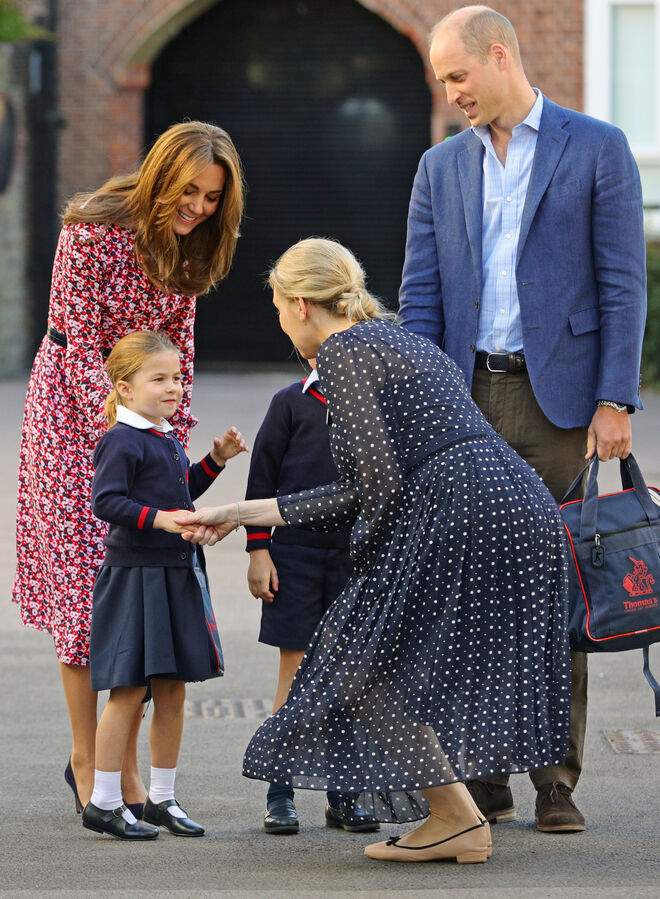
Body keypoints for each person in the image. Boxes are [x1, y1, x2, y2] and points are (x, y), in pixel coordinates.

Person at [175, 237, 571, 864]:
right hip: (516, 505)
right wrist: (240, 513)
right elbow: (372, 481)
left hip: (457, 511)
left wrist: (370, 580)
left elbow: (370, 488)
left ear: (303, 304)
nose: (280, 323)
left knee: (358, 663)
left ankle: (456, 819)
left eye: (278, 307)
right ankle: (458, 818)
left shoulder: (342, 353)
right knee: (407, 667)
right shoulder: (403, 338)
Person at [397, 5, 647, 833]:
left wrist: (615, 400)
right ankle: (484, 776)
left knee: (552, 585)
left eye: (457, 75)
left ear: (498, 56)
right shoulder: (438, 168)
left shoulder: (596, 146)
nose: (451, 93)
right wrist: (421, 406)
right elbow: (420, 295)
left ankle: (556, 780)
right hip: (466, 397)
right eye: (444, 82)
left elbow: (621, 283)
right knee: (469, 588)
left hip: (561, 406)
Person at [12, 120, 244, 816]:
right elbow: (81, 345)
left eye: (212, 197)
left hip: (144, 420)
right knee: (89, 596)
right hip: (70, 416)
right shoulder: (91, 228)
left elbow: (182, 353)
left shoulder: (193, 246)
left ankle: (124, 771)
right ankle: (91, 762)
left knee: (140, 595)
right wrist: (127, 432)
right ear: (160, 173)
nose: (199, 206)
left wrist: (170, 445)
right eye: (191, 190)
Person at [82, 330, 247, 840]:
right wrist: (163, 521)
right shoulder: (120, 439)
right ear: (125, 389)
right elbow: (106, 503)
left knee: (173, 691)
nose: (173, 386)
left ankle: (161, 798)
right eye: (159, 378)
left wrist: (215, 461)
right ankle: (104, 803)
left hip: (176, 575)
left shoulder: (164, 434)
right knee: (128, 691)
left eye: (177, 377)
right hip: (136, 578)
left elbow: (178, 493)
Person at [244, 361, 363, 834]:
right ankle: (279, 792)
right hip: (293, 554)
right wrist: (259, 551)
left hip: (356, 557)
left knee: (351, 679)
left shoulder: (373, 405)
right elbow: (261, 481)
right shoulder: (290, 402)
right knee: (293, 675)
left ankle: (345, 795)